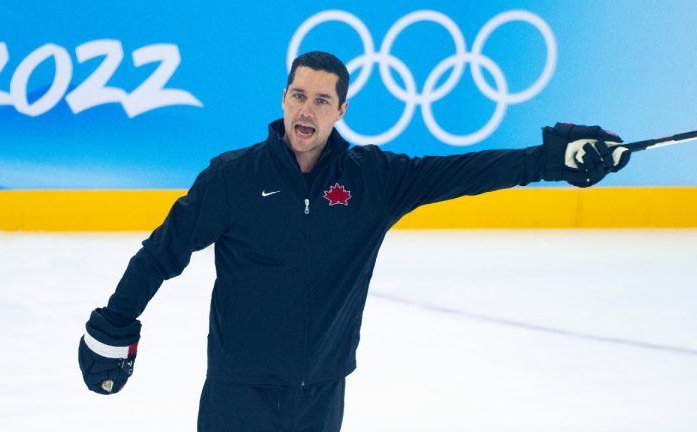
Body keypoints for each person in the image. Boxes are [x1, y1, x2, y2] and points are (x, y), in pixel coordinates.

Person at [78, 51, 630, 431]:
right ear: (284, 99)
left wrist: (550, 159)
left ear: (341, 111)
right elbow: (162, 252)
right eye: (298, 95)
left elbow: (462, 172)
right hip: (237, 396)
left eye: (321, 100)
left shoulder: (371, 180)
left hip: (319, 397)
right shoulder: (233, 178)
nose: (306, 110)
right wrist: (113, 327)